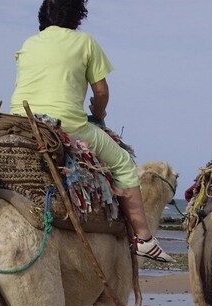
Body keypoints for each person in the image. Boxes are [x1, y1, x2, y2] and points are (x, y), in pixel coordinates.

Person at [10, 0, 172, 262]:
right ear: (77, 18)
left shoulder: (29, 43)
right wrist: (98, 114)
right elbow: (101, 92)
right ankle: (143, 238)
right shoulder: (85, 42)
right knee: (122, 162)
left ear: (43, 18)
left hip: (21, 121)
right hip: (64, 124)